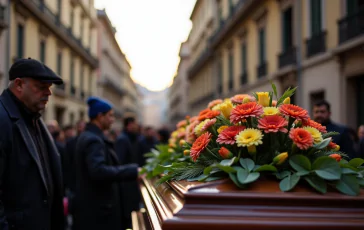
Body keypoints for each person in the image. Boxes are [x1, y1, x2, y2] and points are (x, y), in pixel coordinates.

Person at [0, 58, 64, 229]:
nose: (49, 93)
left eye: (49, 88)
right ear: (19, 85)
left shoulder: (33, 117)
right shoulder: (3, 120)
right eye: (42, 87)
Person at [72, 97, 139, 230]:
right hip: (99, 212)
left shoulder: (89, 136)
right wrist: (133, 170)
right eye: (110, 116)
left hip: (94, 209)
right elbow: (98, 171)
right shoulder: (93, 140)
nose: (113, 120)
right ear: (99, 116)